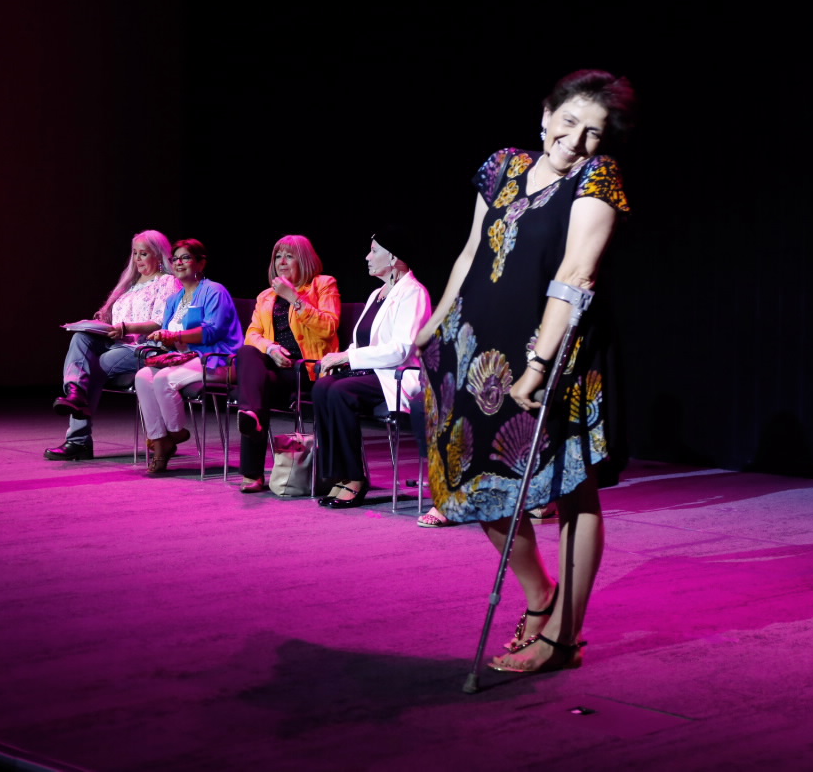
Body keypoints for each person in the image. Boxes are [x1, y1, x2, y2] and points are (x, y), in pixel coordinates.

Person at [412, 69, 636, 673]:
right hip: (477, 346)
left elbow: (576, 275)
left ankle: (563, 638)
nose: (576, 140)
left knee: (569, 483)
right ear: (546, 114)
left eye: (593, 132)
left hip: (556, 352)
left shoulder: (597, 176)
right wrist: (436, 323)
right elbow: (472, 251)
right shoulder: (502, 167)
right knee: (475, 482)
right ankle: (540, 595)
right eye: (569, 122)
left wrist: (539, 365)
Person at [311, 230, 431, 508]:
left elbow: (401, 349)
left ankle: (355, 478)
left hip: (396, 376)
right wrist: (341, 357)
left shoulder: (414, 293)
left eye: (374, 250)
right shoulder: (377, 294)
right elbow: (361, 342)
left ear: (394, 257)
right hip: (371, 372)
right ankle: (337, 474)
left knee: (340, 392)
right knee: (322, 387)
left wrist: (348, 358)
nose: (367, 256)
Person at [46, 230, 179, 460]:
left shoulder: (167, 282)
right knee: (80, 338)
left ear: (158, 255)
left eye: (143, 253)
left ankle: (78, 440)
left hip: (145, 348)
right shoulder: (129, 285)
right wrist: (103, 320)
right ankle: (74, 393)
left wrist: (127, 328)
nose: (137, 259)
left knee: (93, 366)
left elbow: (161, 322)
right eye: (135, 253)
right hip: (118, 343)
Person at [234, 236, 340, 493]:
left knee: (254, 393)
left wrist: (293, 297)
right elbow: (252, 334)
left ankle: (252, 470)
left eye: (289, 256)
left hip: (308, 369)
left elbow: (328, 327)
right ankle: (252, 419)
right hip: (275, 369)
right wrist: (270, 348)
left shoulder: (323, 284)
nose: (281, 262)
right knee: (248, 353)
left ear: (304, 260)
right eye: (278, 256)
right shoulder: (265, 296)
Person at [135, 239, 244, 474]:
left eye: (185, 258)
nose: (178, 263)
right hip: (183, 359)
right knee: (143, 376)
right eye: (175, 259)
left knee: (164, 379)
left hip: (217, 359)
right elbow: (169, 335)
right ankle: (160, 440)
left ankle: (175, 433)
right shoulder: (174, 300)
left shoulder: (214, 291)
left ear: (201, 263)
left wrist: (175, 335)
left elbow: (213, 331)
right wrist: (163, 338)